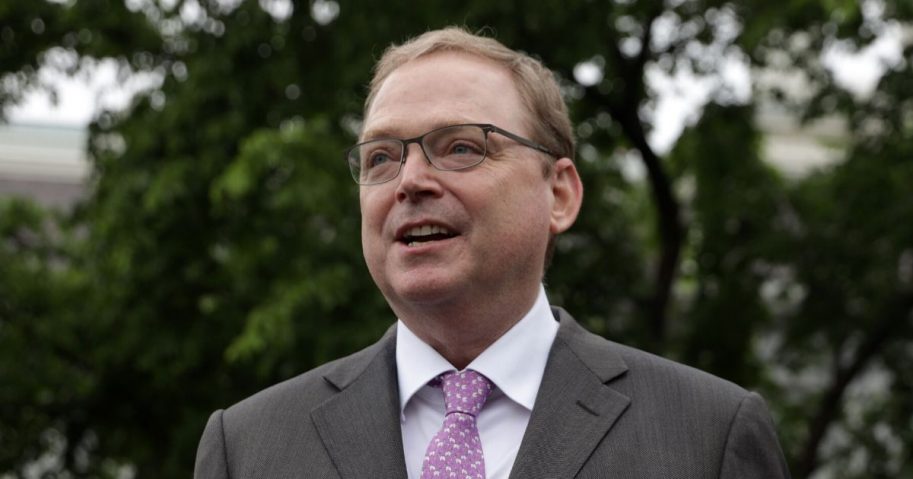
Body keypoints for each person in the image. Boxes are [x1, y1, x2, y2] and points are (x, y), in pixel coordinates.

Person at [194, 27, 791, 479]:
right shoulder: (247, 447)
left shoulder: (708, 435)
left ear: (559, 194)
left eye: (459, 147)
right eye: (382, 157)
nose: (410, 181)